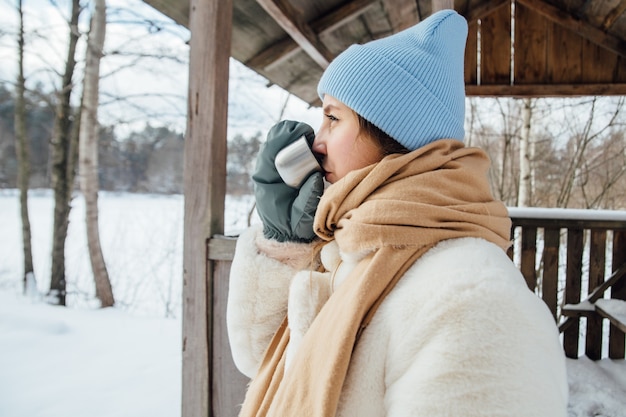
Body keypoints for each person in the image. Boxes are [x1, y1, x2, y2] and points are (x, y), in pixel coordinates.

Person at [227, 9, 568, 417]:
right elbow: (268, 364)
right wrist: (285, 242)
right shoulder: (354, 249)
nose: (316, 142)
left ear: (393, 133)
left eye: (333, 118)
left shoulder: (473, 300)